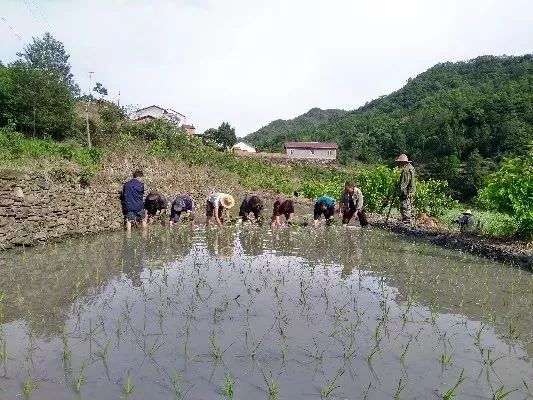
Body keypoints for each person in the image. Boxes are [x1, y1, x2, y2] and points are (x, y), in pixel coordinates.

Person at [395, 153, 416, 224]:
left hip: (406, 193)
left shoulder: (406, 170)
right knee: (408, 207)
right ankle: (406, 221)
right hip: (410, 191)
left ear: (403, 162)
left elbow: (403, 184)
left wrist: (400, 192)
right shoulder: (411, 168)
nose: (398, 164)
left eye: (399, 163)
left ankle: (406, 222)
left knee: (404, 208)